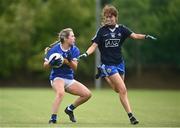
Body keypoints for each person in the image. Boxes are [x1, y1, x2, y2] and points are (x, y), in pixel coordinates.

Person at [78, 5, 156, 125]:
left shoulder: (122, 29)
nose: (108, 19)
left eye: (110, 17)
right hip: (109, 64)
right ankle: (131, 116)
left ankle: (103, 74)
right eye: (106, 17)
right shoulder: (102, 31)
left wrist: (146, 36)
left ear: (115, 17)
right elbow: (94, 46)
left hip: (120, 63)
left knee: (117, 90)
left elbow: (134, 36)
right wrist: (86, 54)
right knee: (123, 90)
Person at [43, 28, 91, 124]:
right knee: (60, 93)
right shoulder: (54, 49)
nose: (74, 38)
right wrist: (50, 63)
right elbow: (45, 66)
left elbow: (75, 67)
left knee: (87, 94)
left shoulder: (75, 49)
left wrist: (67, 60)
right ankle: (53, 118)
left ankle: (69, 109)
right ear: (65, 39)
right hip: (57, 77)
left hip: (69, 79)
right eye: (72, 36)